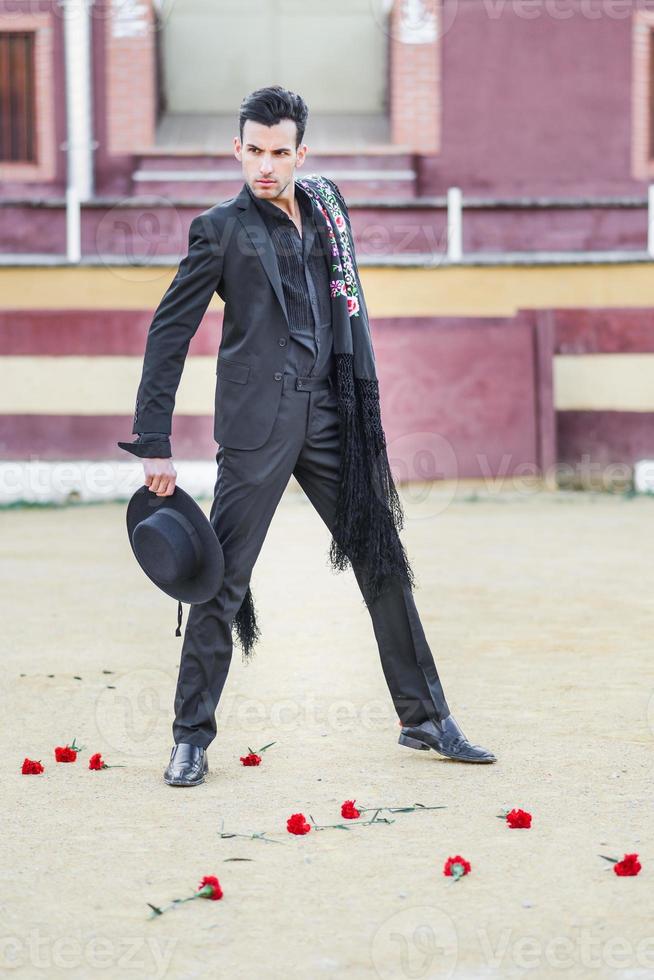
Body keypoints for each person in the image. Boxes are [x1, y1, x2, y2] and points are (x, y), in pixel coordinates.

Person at [118, 85, 496, 786]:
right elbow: (169, 331)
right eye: (253, 151)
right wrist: (153, 441)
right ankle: (190, 738)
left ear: (300, 153)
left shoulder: (327, 210)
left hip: (330, 419)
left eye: (278, 152)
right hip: (257, 429)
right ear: (237, 148)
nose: (265, 166)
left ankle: (425, 717)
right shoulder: (218, 229)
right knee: (219, 584)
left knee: (382, 558)